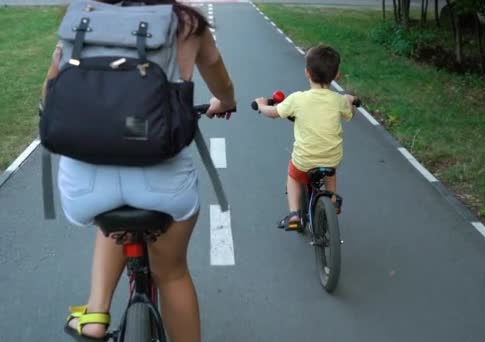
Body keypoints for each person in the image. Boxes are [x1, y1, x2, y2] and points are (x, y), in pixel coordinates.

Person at [41, 1, 236, 341]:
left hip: (83, 188)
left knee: (109, 207)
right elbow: (220, 79)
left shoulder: (82, 17)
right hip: (162, 183)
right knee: (172, 273)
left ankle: (96, 312)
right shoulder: (187, 22)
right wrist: (226, 102)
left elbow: (49, 94)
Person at [255, 44, 357, 231]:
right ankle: (332, 200)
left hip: (305, 159)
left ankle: (294, 213)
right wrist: (350, 100)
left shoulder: (297, 99)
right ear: (336, 76)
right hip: (331, 157)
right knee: (331, 172)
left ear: (307, 73)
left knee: (293, 175)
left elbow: (274, 112)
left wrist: (261, 105)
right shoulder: (338, 100)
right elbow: (349, 113)